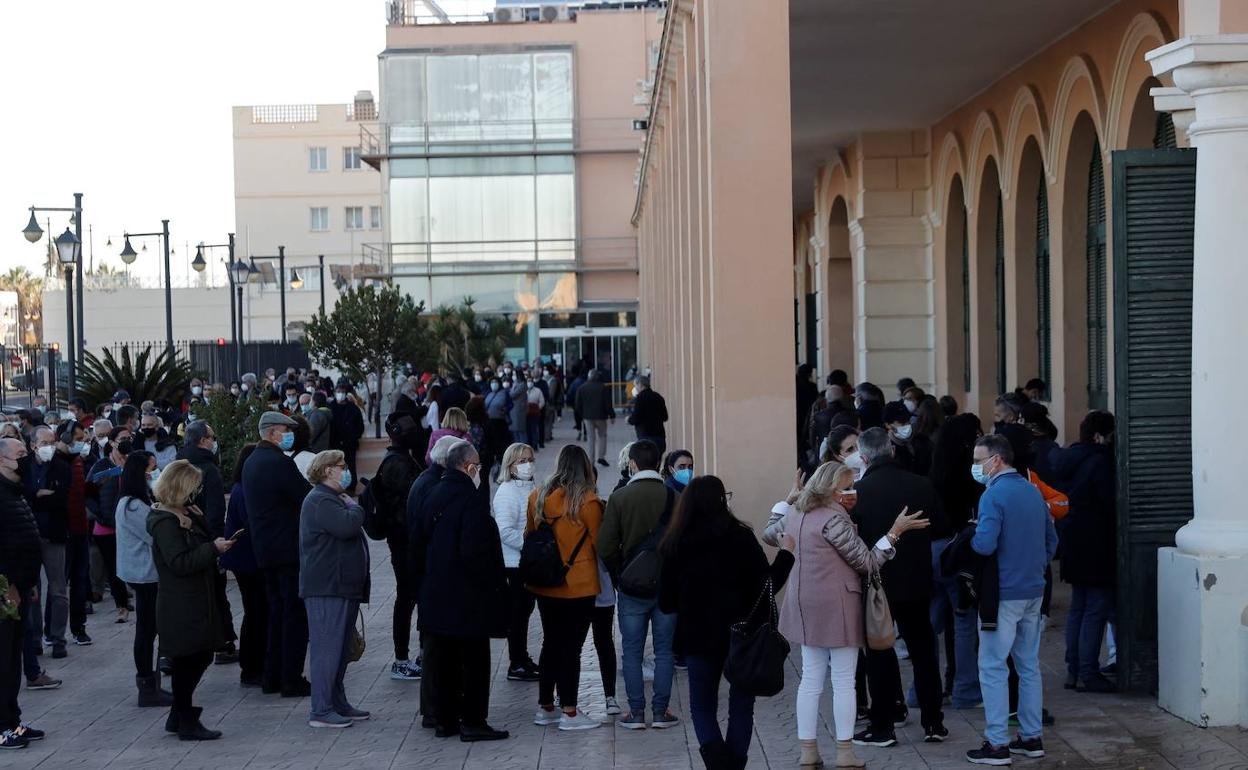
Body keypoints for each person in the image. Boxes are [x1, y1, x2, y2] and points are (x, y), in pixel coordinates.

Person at [764, 462, 928, 769]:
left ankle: (808, 750)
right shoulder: (833, 520)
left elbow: (769, 533)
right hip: (837, 605)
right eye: (848, 487)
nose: (852, 493)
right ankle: (844, 752)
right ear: (832, 489)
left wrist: (787, 500)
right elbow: (866, 562)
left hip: (802, 603)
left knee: (810, 679)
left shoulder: (796, 513)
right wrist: (894, 533)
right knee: (842, 681)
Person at [659, 475, 795, 769]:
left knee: (702, 706)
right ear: (723, 500)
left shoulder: (675, 541)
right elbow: (767, 585)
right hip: (742, 636)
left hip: (697, 638)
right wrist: (786, 554)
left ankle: (719, 765)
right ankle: (733, 765)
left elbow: (666, 601)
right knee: (742, 705)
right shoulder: (740, 536)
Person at [851, 427, 948, 746]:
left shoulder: (859, 492)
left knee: (879, 654)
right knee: (924, 653)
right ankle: (934, 722)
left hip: (877, 586)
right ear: (891, 450)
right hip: (918, 582)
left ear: (864, 457)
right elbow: (941, 530)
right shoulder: (921, 484)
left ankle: (883, 726)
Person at [965, 435, 1058, 764]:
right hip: (1034, 589)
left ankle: (997, 744)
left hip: (1002, 594)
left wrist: (971, 538)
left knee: (992, 666)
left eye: (979, 460)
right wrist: (1035, 567)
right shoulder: (1033, 492)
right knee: (1028, 665)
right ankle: (1031, 738)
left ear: (997, 460)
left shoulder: (993, 496)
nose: (976, 467)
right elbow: (1051, 541)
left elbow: (985, 545)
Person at [416, 440, 509, 742]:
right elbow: (474, 551)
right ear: (468, 467)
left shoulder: (433, 492)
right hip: (467, 597)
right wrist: (492, 585)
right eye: (478, 466)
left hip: (436, 593)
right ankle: (472, 721)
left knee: (446, 661)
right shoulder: (472, 499)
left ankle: (445, 720)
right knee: (474, 662)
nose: (479, 471)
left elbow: (419, 541)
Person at [146, 459, 234, 741]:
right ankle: (185, 718)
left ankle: (179, 713)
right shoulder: (166, 521)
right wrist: (213, 549)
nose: (199, 491)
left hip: (197, 597)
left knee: (200, 654)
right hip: (181, 602)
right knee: (189, 659)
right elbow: (179, 562)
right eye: (195, 486)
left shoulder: (187, 512)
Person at [596, 439, 679, 729]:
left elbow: (604, 545)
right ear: (659, 463)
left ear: (632, 464)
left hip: (632, 588)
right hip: (667, 585)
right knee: (664, 651)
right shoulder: (673, 497)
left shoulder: (620, 498)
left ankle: (635, 712)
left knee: (631, 651)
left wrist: (621, 573)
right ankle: (660, 712)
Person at [525, 445, 604, 732]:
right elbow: (600, 543)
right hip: (578, 585)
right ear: (584, 467)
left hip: (546, 583)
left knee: (551, 642)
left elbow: (528, 535)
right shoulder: (587, 501)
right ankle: (570, 711)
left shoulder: (539, 496)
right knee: (572, 647)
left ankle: (546, 706)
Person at [243, 411, 313, 697]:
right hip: (286, 551)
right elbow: (306, 495)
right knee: (293, 615)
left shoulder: (252, 462)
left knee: (276, 612)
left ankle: (272, 675)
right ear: (272, 433)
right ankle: (290, 678)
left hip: (265, 550)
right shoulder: (277, 463)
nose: (290, 435)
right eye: (286, 430)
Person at [299, 450, 370, 728]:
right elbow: (347, 526)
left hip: (342, 585)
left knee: (340, 650)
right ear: (328, 470)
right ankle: (321, 710)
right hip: (328, 586)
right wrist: (356, 507)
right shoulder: (321, 500)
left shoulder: (332, 498)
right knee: (327, 649)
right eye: (342, 466)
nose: (346, 470)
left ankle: (337, 702)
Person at [1048, 410, 1117, 694]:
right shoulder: (1100, 461)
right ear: (1101, 436)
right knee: (1095, 610)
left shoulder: (1068, 460)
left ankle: (1073, 669)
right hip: (1097, 544)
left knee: (1079, 608)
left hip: (1073, 541)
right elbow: (1108, 502)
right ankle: (1088, 672)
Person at [928, 412, 986, 711]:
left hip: (931, 552)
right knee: (963, 623)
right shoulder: (970, 476)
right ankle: (964, 690)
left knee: (931, 625)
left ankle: (922, 691)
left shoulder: (935, 471)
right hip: (957, 553)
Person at [115, 450, 174, 707]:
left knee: (151, 627)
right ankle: (147, 686)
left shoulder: (137, 502)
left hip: (145, 572)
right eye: (151, 468)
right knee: (147, 629)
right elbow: (154, 534)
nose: (155, 472)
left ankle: (152, 682)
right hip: (144, 573)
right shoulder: (132, 505)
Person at [177, 420, 237, 666]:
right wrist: (218, 542)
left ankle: (175, 651)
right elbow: (214, 510)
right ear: (202, 441)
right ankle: (223, 644)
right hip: (205, 540)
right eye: (211, 437)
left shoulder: (177, 464)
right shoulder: (208, 470)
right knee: (215, 593)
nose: (214, 442)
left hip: (180, 537)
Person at [0, 437, 46, 750]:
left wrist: (27, 584)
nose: (27, 458)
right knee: (2, 660)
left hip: (20, 588)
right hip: (5, 593)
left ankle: (11, 721)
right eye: (20, 454)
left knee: (13, 659)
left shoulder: (14, 492)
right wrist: (11, 587)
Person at [374, 413, 423, 681]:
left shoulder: (400, 459)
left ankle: (408, 657)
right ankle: (401, 659)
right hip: (403, 540)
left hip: (403, 538)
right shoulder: (398, 463)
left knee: (409, 596)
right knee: (407, 597)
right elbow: (410, 501)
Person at [491, 443, 540, 682]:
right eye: (521, 461)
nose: (527, 464)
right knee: (518, 614)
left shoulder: (533, 487)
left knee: (525, 611)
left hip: (529, 562)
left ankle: (522, 657)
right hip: (515, 563)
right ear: (510, 466)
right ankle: (516, 662)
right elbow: (505, 531)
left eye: (530, 459)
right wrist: (530, 545)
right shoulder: (507, 492)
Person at [220, 445, 266, 688]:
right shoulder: (245, 490)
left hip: (245, 560)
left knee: (256, 612)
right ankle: (251, 667)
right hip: (248, 561)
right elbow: (254, 522)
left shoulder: (242, 488)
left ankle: (253, 665)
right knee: (256, 612)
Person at [26, 426, 71, 658]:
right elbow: (22, 495)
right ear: (33, 445)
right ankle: (35, 639)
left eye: (51, 442)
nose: (49, 447)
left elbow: (61, 499)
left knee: (58, 590)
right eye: (44, 443)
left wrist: (37, 496)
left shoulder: (62, 467)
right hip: (30, 535)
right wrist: (37, 494)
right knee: (33, 590)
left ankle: (58, 638)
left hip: (54, 534)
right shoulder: (24, 467)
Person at [87, 426, 133, 625]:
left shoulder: (134, 463)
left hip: (129, 525)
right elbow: (88, 493)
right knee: (114, 568)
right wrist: (100, 515)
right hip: (106, 526)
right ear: (112, 442)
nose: (127, 441)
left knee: (128, 565)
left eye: (129, 438)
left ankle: (126, 597)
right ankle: (121, 606)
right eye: (123, 438)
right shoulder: (101, 466)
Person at [574, 370, 615, 467]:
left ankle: (591, 460)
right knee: (602, 436)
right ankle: (601, 457)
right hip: (601, 417)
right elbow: (608, 403)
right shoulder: (603, 387)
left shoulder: (582, 388)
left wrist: (582, 415)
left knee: (591, 438)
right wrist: (612, 415)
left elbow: (577, 404)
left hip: (587, 418)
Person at [884, 400, 931, 475]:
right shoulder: (885, 448)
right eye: (902, 423)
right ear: (888, 425)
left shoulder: (920, 441)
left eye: (908, 421)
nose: (907, 426)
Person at [627, 375, 669, 454]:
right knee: (657, 463)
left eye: (635, 385)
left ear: (640, 384)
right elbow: (665, 417)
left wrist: (628, 420)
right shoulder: (658, 397)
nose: (635, 388)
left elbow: (635, 418)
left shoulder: (640, 399)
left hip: (645, 439)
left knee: (646, 464)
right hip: (659, 438)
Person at [795, 364, 820, 456]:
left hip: (797, 414)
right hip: (808, 414)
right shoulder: (812, 386)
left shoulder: (794, 386)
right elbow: (815, 401)